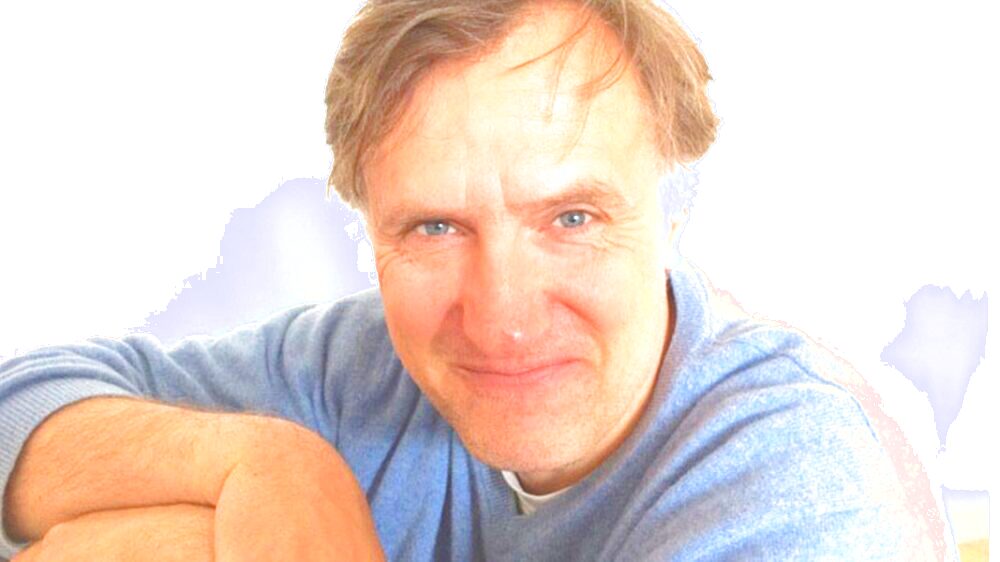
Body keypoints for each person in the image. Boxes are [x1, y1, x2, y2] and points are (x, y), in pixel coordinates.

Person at [0, 1, 954, 560]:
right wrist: (271, 467)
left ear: (673, 214)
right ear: (371, 229)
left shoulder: (808, 482)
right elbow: (22, 408)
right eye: (436, 227)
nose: (501, 318)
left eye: (571, 219)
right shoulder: (352, 369)